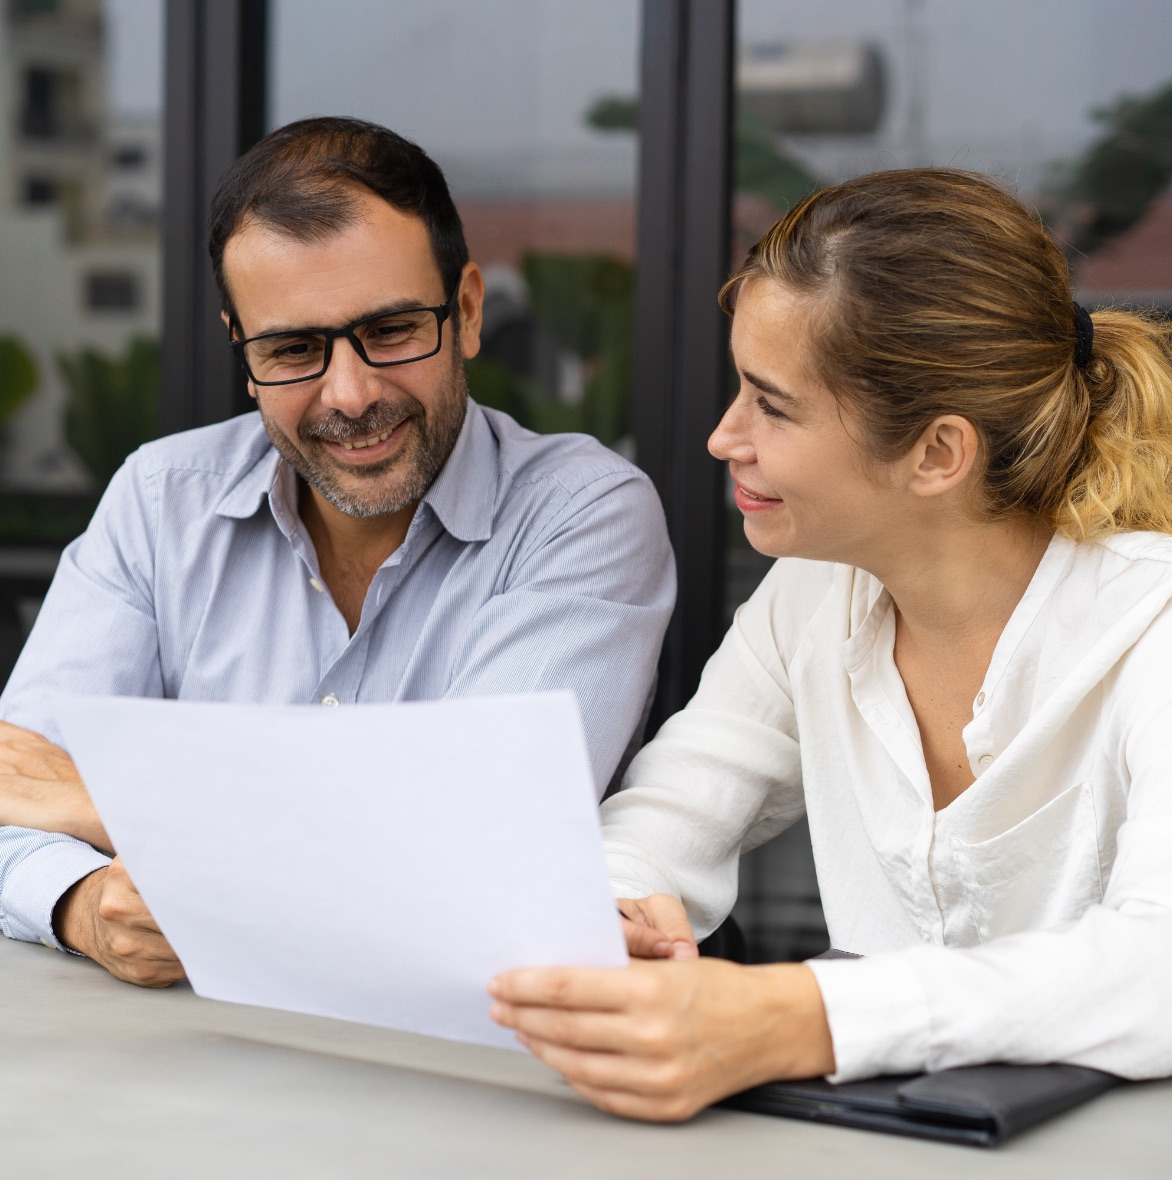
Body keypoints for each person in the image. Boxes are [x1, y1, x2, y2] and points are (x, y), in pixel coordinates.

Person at [489, 168, 1172, 1121]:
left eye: (773, 405)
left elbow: (1156, 966)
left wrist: (797, 1014)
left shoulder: (1154, 627)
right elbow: (673, 810)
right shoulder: (812, 596)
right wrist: (612, 908)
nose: (725, 436)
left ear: (937, 453)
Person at [0, 117, 674, 987]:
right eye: (293, 349)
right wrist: (83, 903)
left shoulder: (580, 514)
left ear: (466, 311)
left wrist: (110, 805)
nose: (350, 395)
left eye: (391, 331)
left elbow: (468, 844)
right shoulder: (160, 499)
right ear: (244, 354)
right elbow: (16, 793)